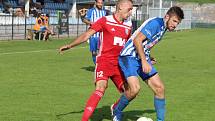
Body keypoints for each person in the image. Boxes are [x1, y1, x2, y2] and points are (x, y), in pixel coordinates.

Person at [58, 0, 133, 121]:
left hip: (119, 64)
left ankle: (115, 108)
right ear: (120, 8)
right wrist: (70, 45)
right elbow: (87, 35)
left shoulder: (128, 25)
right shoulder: (105, 20)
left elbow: (130, 45)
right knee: (101, 87)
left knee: (130, 91)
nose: (131, 12)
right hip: (104, 61)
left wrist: (146, 57)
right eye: (129, 9)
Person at [112, 6, 184, 121]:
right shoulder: (155, 23)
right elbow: (137, 40)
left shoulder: (163, 28)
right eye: (174, 21)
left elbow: (145, 44)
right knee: (134, 90)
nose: (175, 25)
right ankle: (116, 110)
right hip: (128, 56)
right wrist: (145, 61)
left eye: (178, 23)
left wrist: (148, 57)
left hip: (141, 58)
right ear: (167, 17)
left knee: (159, 88)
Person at [81, 0, 107, 64]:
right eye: (99, 3)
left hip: (102, 35)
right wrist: (91, 23)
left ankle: (100, 66)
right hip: (93, 35)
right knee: (94, 52)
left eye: (101, 3)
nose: (100, 4)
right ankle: (96, 65)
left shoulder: (104, 12)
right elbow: (84, 20)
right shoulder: (91, 11)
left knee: (100, 51)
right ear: (96, 3)